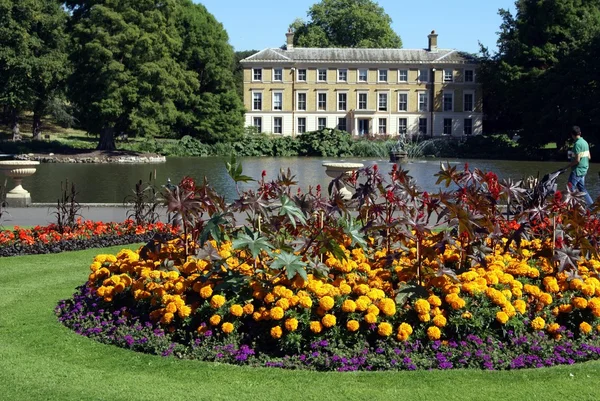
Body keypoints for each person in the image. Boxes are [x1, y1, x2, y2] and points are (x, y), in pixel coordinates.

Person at [566, 126, 593, 206]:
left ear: (572, 135)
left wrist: (567, 166)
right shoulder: (585, 142)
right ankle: (592, 207)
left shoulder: (577, 144)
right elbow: (589, 157)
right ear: (580, 133)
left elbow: (577, 160)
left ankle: (573, 209)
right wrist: (572, 155)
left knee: (570, 190)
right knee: (582, 190)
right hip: (584, 169)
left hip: (577, 170)